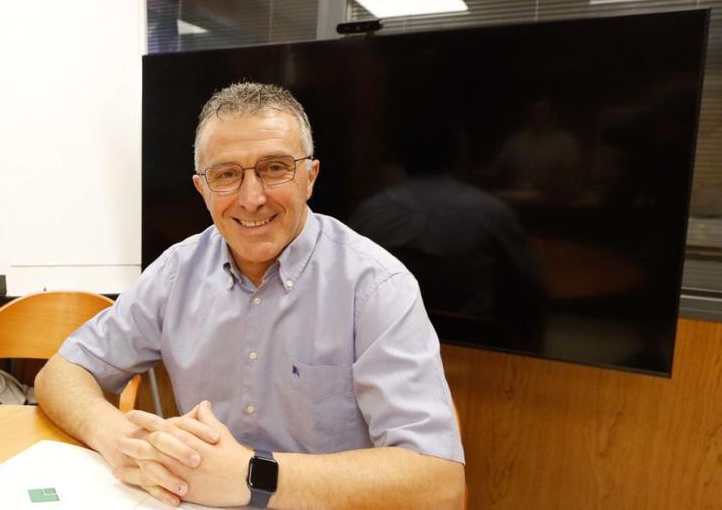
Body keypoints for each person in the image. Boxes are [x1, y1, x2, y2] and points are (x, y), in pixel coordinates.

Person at [36, 82, 466, 508]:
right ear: (203, 189)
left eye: (275, 168)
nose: (252, 198)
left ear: (309, 177)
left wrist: (252, 475)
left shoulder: (376, 286)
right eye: (226, 175)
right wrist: (120, 439)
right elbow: (62, 372)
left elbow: (438, 481)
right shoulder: (176, 272)